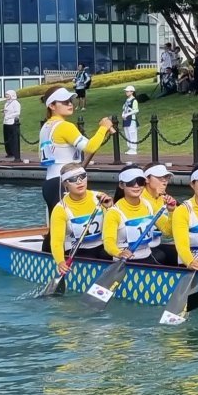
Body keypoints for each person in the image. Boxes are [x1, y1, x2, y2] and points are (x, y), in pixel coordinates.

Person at [38, 86, 113, 220]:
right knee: (68, 228)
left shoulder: (46, 127)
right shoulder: (65, 126)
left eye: (70, 101)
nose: (70, 104)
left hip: (50, 183)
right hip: (65, 183)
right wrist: (103, 128)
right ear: (51, 106)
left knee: (56, 229)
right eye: (64, 102)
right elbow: (90, 147)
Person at [48, 162, 115, 274]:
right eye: (73, 179)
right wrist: (60, 262)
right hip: (77, 250)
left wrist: (110, 208)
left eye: (82, 177)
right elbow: (57, 241)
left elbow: (114, 226)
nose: (79, 182)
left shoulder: (99, 197)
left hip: (102, 245)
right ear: (65, 184)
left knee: (107, 254)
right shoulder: (60, 209)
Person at [102, 165, 173, 264]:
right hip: (124, 262)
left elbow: (167, 231)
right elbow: (108, 242)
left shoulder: (149, 205)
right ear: (122, 185)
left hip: (148, 257)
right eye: (131, 182)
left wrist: (171, 211)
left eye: (140, 181)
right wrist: (119, 253)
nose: (136, 186)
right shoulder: (114, 212)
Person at [1, 89, 21, 160]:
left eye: (8, 95)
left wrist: (9, 116)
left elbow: (17, 113)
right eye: (6, 95)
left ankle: (14, 152)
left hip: (12, 122)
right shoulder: (6, 103)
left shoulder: (16, 103)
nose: (6, 96)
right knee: (6, 138)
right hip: (6, 122)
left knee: (13, 138)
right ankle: (9, 152)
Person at [121, 85, 140, 155]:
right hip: (126, 119)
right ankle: (130, 147)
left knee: (132, 134)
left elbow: (136, 110)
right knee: (127, 134)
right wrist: (123, 114)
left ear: (132, 92)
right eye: (126, 91)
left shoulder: (134, 100)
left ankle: (133, 148)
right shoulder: (127, 100)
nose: (126, 92)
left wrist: (127, 114)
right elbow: (124, 108)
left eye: (127, 91)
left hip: (131, 119)